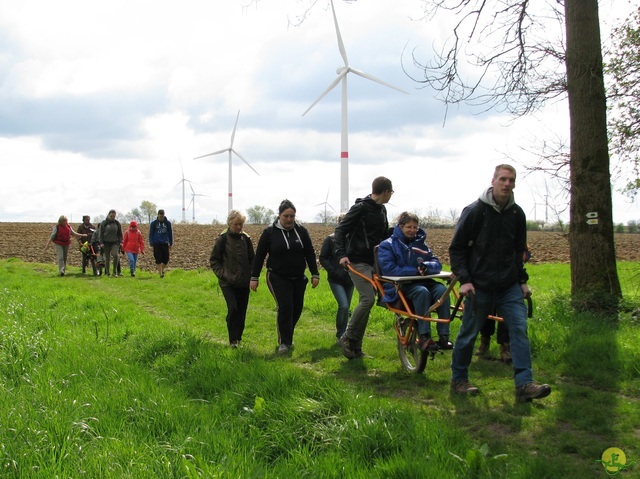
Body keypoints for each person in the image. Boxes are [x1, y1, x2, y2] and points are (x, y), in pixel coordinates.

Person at [449, 164, 551, 402]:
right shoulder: (475, 211)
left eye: (511, 180)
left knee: (518, 329)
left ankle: (524, 385)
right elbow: (457, 248)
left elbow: (518, 252)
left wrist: (522, 281)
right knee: (468, 334)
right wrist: (464, 280)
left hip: (508, 287)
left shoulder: (517, 214)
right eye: (503, 179)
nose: (507, 184)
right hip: (479, 286)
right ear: (493, 180)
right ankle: (459, 380)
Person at [334, 176, 393, 359]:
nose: (391, 195)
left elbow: (381, 235)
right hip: (357, 260)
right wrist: (342, 254)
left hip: (374, 262)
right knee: (367, 299)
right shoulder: (360, 208)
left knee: (367, 303)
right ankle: (347, 336)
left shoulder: (381, 210)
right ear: (386, 192)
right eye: (391, 192)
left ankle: (356, 348)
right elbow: (340, 230)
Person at [250, 200, 320, 355]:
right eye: (286, 216)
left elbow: (309, 252)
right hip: (277, 276)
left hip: (298, 276)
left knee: (297, 308)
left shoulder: (301, 231)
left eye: (292, 216)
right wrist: (254, 277)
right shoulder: (269, 232)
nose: (289, 219)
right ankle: (284, 343)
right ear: (279, 216)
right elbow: (260, 255)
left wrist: (315, 273)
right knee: (285, 307)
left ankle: (287, 335)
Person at [377, 212, 452, 351]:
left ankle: (444, 336)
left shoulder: (421, 244)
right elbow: (389, 269)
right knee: (421, 292)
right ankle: (424, 335)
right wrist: (416, 270)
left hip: (425, 282)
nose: (412, 230)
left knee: (442, 291)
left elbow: (436, 262)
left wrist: (427, 267)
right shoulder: (387, 245)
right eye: (409, 227)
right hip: (400, 286)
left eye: (415, 227)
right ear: (400, 227)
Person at [475, 244, 532, 363]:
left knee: (506, 315)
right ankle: (484, 341)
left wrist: (522, 282)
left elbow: (523, 256)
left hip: (508, 281)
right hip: (486, 279)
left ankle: (505, 347)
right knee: (487, 312)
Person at [210, 210, 255, 348]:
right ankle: (232, 340)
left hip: (243, 282)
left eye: (241, 224)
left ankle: (238, 338)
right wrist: (223, 274)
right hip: (227, 283)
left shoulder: (246, 239)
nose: (239, 227)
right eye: (236, 224)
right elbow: (214, 260)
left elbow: (253, 260)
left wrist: (252, 276)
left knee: (241, 312)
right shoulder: (222, 239)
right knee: (233, 309)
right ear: (230, 223)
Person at [319, 213, 354, 342]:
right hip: (336, 279)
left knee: (347, 308)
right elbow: (323, 258)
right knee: (343, 306)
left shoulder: (354, 241)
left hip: (350, 279)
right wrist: (334, 271)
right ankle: (340, 334)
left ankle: (346, 334)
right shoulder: (331, 240)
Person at [96, 210, 124, 277]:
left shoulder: (117, 223)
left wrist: (120, 241)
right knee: (107, 258)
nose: (112, 217)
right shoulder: (104, 223)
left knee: (116, 255)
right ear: (108, 215)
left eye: (114, 216)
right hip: (106, 243)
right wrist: (101, 242)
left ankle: (114, 273)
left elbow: (120, 234)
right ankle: (108, 273)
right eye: (111, 216)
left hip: (114, 242)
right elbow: (101, 234)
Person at [149, 209, 173, 278]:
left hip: (165, 243)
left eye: (162, 216)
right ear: (158, 215)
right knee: (158, 259)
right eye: (160, 216)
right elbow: (151, 233)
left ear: (164, 215)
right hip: (156, 243)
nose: (161, 217)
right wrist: (151, 242)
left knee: (166, 259)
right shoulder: (154, 223)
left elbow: (170, 234)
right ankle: (161, 274)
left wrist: (171, 243)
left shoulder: (168, 223)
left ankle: (161, 270)